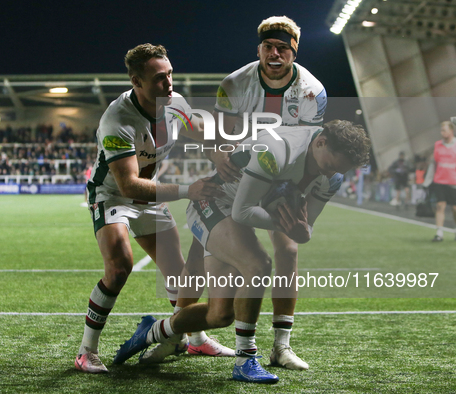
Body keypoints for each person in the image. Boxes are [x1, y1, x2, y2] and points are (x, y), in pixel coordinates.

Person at [115, 120, 371, 384]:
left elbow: (307, 227)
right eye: (328, 166)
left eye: (337, 171)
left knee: (220, 315)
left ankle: (154, 331)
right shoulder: (277, 150)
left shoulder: (334, 174)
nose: (329, 175)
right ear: (320, 143)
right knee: (258, 264)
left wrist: (300, 231)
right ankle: (245, 359)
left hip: (236, 214)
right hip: (213, 202)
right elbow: (242, 211)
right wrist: (286, 225)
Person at [145, 15, 328, 368]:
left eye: (282, 49)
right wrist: (217, 150)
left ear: (294, 51)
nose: (274, 54)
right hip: (236, 177)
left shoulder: (312, 92)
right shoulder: (234, 84)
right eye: (268, 47)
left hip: (284, 180)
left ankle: (281, 345)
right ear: (259, 49)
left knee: (288, 247)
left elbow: (308, 147)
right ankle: (186, 336)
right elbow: (224, 137)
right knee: (200, 250)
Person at [74, 43, 226, 373]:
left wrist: (228, 161)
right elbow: (128, 185)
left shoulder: (176, 103)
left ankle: (196, 338)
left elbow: (203, 136)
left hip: (150, 196)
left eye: (170, 74)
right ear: (136, 82)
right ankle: (86, 351)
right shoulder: (117, 120)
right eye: (160, 78)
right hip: (112, 196)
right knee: (119, 266)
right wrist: (189, 189)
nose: (169, 83)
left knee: (180, 275)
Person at [423, 120, 456, 242]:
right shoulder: (438, 145)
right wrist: (428, 181)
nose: (442, 133)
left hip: (454, 182)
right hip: (440, 181)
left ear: (451, 131)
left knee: (454, 209)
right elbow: (434, 164)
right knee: (440, 205)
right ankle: (439, 233)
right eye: (441, 130)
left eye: (444, 130)